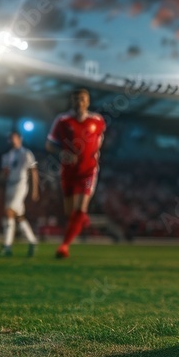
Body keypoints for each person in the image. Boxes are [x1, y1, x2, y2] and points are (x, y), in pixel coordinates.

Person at [46, 88, 107, 259]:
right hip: (68, 172)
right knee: (69, 212)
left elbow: (99, 143)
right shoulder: (63, 120)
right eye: (76, 99)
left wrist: (90, 157)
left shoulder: (98, 121)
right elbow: (49, 145)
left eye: (82, 99)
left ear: (87, 101)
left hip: (88, 173)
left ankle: (64, 246)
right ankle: (82, 219)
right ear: (71, 101)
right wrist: (61, 154)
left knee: (80, 208)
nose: (79, 102)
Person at [0, 130, 40, 257]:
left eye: (14, 137)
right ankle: (32, 241)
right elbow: (5, 173)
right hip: (10, 185)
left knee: (9, 212)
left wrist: (35, 189)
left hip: (20, 185)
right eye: (11, 138)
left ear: (20, 139)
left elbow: (34, 171)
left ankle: (7, 246)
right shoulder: (7, 156)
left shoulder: (26, 153)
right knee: (19, 216)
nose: (13, 140)